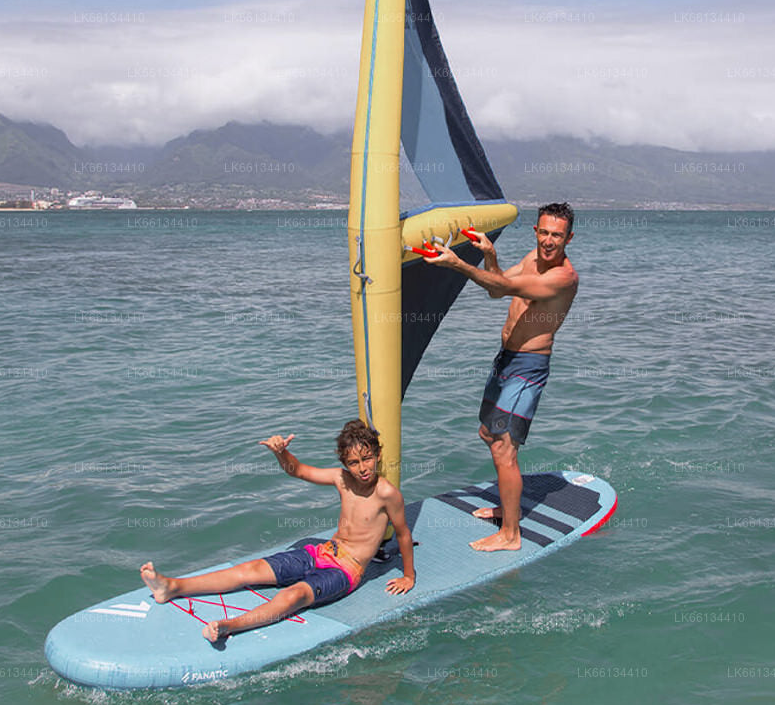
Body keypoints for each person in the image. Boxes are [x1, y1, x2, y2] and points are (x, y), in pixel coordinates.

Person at [139, 419, 416, 641]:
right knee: (251, 569)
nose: (363, 468)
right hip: (321, 552)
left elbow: (403, 534)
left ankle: (229, 626)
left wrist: (408, 576)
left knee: (295, 595)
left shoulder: (387, 494)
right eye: (354, 463)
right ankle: (172, 586)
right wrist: (281, 453)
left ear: (378, 455)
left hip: (346, 570)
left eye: (367, 458)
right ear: (345, 463)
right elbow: (298, 471)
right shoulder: (341, 478)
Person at [425, 202, 579, 551]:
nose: (549, 241)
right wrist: (490, 256)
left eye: (557, 236)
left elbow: (507, 287)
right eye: (544, 232)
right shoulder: (532, 258)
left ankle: (511, 534)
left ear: (569, 238)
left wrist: (458, 264)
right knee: (488, 433)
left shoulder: (563, 278)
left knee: (504, 448)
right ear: (536, 231)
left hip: (528, 368)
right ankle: (508, 508)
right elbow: (497, 289)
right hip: (505, 360)